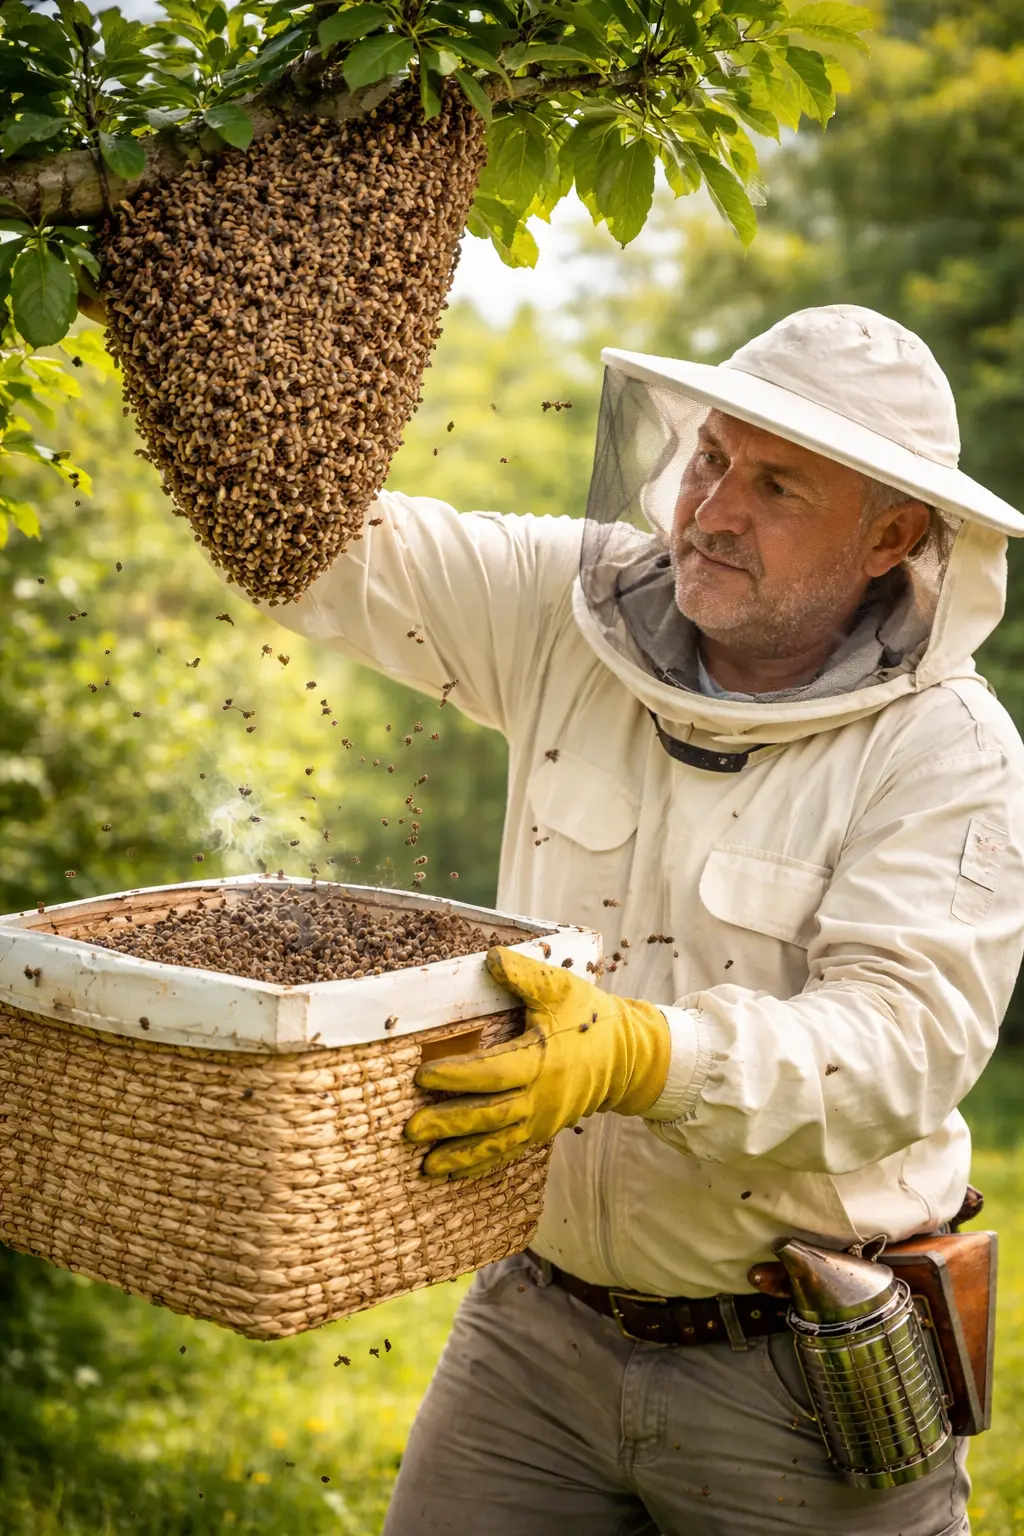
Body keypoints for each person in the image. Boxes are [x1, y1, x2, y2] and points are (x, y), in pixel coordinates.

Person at [255, 305, 1024, 1534]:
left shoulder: (945, 750)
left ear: (891, 535)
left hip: (799, 1361)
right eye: (710, 456)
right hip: (534, 1330)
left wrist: (641, 1055)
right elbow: (320, 548)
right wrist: (192, 333)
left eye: (776, 486)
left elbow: (901, 1049)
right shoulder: (567, 609)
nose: (711, 510)